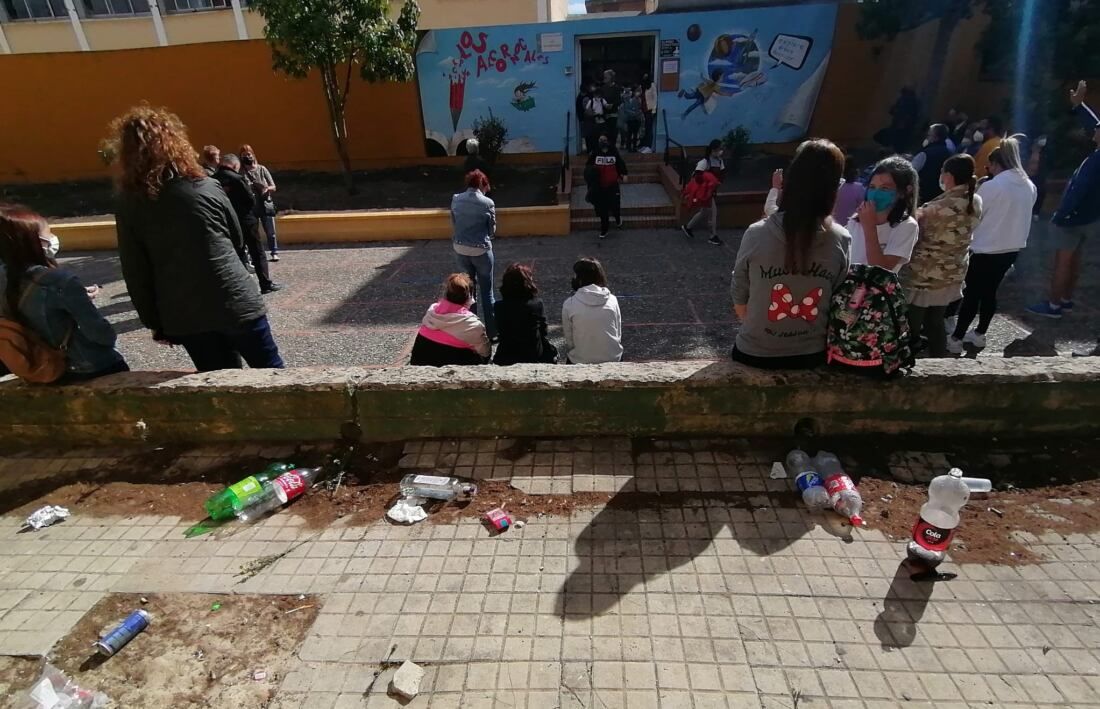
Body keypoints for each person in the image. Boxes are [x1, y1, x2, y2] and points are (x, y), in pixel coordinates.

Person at [111, 105, 284, 372]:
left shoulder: (130, 204)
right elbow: (237, 238)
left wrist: (155, 321)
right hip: (236, 298)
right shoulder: (206, 186)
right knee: (273, 374)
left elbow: (135, 269)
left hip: (186, 313)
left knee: (219, 384)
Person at [730, 139, 851, 369]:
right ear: (834, 188)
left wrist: (761, 330)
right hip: (811, 354)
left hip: (755, 351)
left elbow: (739, 291)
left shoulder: (756, 234)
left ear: (788, 181)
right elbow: (839, 298)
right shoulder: (841, 239)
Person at [0, 204, 128, 382]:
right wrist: (74, 297)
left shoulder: (8, 277)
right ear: (36, 242)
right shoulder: (59, 281)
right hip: (82, 367)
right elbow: (102, 335)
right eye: (48, 234)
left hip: (35, 365)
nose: (52, 238)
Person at [947, 139, 1036, 350]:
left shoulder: (993, 186)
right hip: (1011, 247)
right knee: (990, 292)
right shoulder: (1029, 185)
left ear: (996, 164)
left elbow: (974, 213)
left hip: (985, 247)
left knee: (972, 294)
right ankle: (980, 333)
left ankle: (956, 338)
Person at [1028, 80, 1100, 319]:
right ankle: (1066, 299)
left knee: (1062, 260)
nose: (1095, 130)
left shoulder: (1096, 161)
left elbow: (1080, 188)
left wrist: (1060, 215)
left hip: (1074, 218)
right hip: (1091, 217)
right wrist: (1079, 107)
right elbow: (1094, 123)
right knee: (1076, 259)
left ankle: (1054, 305)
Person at [901, 155, 983, 358]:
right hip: (952, 274)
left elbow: (912, 233)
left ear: (947, 176)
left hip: (924, 275)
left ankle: (907, 362)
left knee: (911, 324)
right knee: (935, 323)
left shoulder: (935, 209)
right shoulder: (975, 200)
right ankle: (939, 363)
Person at [214, 154, 282, 295]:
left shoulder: (213, 180)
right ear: (234, 165)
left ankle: (239, 287)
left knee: (235, 253)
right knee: (257, 252)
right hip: (246, 220)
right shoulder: (238, 179)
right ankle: (265, 284)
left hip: (226, 221)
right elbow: (250, 199)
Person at [847, 156, 920, 272]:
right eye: (872, 187)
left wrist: (869, 227)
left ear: (904, 191)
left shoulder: (907, 226)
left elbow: (880, 270)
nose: (875, 194)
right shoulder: (856, 219)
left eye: (885, 188)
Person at [451, 169, 497, 340]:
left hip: (460, 248)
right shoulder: (487, 203)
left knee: (468, 293)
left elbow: (454, 223)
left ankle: (472, 329)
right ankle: (492, 332)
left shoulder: (456, 199)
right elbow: (492, 231)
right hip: (481, 249)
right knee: (487, 292)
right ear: (483, 184)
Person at [409, 273, 490, 366]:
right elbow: (485, 352)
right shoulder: (473, 325)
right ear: (469, 297)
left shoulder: (431, 312)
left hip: (419, 365)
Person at [492, 263, 557, 365]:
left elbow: (500, 330)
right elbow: (543, 330)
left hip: (507, 355)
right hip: (533, 355)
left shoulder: (499, 306)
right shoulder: (537, 304)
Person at [562, 258, 622, 364]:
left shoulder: (569, 303)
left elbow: (569, 340)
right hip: (613, 357)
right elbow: (618, 332)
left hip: (581, 359)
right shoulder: (612, 299)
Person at [239, 144, 280, 262]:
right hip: (251, 205)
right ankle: (255, 254)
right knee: (252, 232)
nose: (247, 157)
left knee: (270, 231)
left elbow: (274, 186)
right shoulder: (241, 172)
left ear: (253, 155)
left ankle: (274, 251)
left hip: (265, 203)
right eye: (244, 155)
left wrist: (266, 189)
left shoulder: (262, 169)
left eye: (248, 154)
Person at [584, 135, 628, 239]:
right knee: (602, 209)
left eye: (604, 139)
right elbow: (588, 166)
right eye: (600, 140)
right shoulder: (595, 152)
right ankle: (604, 229)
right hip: (599, 186)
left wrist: (624, 173)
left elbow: (620, 163)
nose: (602, 142)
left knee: (615, 205)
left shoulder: (613, 151)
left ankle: (617, 218)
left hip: (612, 185)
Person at [912, 124, 954, 203]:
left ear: (935, 138)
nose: (927, 138)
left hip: (921, 194)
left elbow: (911, 171)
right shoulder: (951, 153)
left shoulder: (925, 153)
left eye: (928, 135)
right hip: (939, 196)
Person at [681, 159, 721, 240]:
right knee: (712, 213)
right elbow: (697, 178)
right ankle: (713, 235)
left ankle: (688, 227)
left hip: (708, 192)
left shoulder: (717, 161)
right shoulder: (704, 162)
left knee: (704, 212)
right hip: (706, 193)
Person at [875, 87, 920, 153]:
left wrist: (900, 117)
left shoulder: (906, 100)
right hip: (903, 124)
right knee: (899, 140)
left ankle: (893, 150)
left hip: (901, 123)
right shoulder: (911, 101)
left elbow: (893, 110)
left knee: (897, 139)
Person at [834, 156, 866, 222]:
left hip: (835, 224)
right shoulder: (860, 189)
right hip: (850, 226)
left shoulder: (836, 186)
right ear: (857, 172)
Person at [582, 82, 608, 154]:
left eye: (600, 96)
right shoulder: (591, 101)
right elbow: (587, 110)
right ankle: (594, 150)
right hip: (594, 121)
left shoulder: (602, 100)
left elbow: (606, 106)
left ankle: (602, 149)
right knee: (594, 136)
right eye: (597, 95)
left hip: (602, 120)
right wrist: (592, 113)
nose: (598, 97)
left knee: (602, 135)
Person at [600, 69, 622, 149]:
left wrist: (612, 105)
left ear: (611, 77)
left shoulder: (616, 88)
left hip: (613, 115)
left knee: (613, 134)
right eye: (604, 75)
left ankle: (613, 150)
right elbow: (600, 98)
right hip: (604, 115)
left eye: (606, 75)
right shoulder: (602, 88)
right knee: (605, 134)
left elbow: (619, 100)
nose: (604, 77)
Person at [620, 86, 643, 152]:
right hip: (630, 119)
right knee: (629, 134)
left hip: (636, 119)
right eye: (637, 91)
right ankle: (629, 147)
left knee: (635, 134)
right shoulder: (629, 100)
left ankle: (634, 147)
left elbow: (639, 109)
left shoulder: (639, 99)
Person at [642, 75, 658, 152]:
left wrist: (654, 110)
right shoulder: (643, 86)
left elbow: (655, 98)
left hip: (650, 110)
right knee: (645, 128)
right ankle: (645, 145)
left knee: (649, 128)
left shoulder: (652, 85)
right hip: (644, 110)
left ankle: (649, 146)